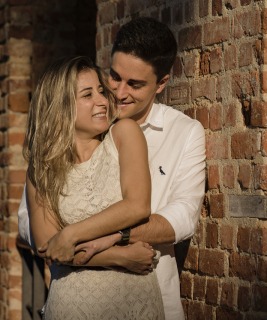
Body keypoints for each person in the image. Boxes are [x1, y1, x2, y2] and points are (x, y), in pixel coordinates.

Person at [18, 17, 206, 320]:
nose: (117, 93)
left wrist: (110, 237)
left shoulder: (183, 132)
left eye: (134, 84)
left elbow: (182, 216)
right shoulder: (61, 150)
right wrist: (113, 254)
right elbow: (36, 230)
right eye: (114, 77)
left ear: (161, 84)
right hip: (73, 297)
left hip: (148, 287)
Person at [24, 56, 164, 319]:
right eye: (87, 95)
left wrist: (70, 234)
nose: (102, 100)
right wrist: (118, 257)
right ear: (61, 106)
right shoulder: (41, 169)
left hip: (132, 300)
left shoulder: (124, 134)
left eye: (101, 91)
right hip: (71, 303)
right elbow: (47, 245)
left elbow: (136, 206)